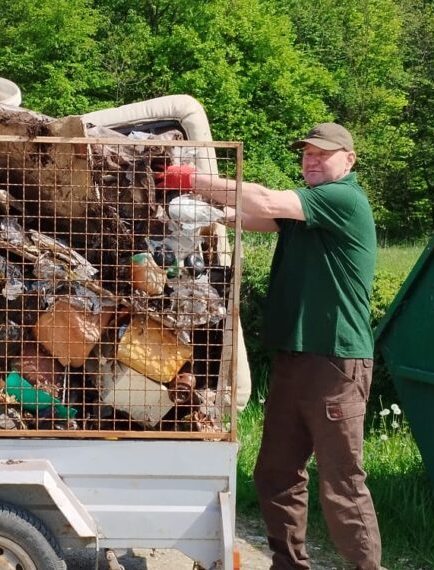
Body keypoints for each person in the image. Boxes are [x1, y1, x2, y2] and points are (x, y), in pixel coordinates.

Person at [157, 122, 382, 570]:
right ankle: (289, 564)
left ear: (349, 160)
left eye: (323, 153)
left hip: (334, 363)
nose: (311, 160)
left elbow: (262, 199)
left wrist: (190, 178)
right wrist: (203, 211)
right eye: (307, 154)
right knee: (276, 474)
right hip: (295, 360)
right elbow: (251, 215)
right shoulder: (309, 211)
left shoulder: (343, 199)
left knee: (342, 484)